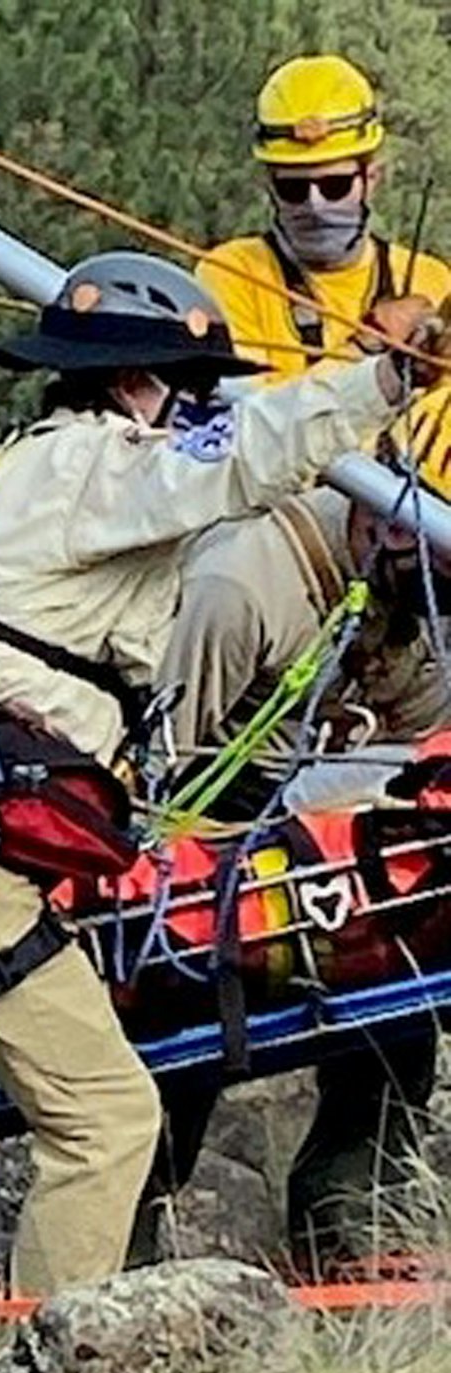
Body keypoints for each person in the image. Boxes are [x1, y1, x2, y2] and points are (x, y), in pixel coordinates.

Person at [0, 249, 437, 1316]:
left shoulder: (23, 481)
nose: (190, 414)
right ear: (134, 384)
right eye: (185, 392)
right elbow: (238, 460)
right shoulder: (89, 464)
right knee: (106, 1120)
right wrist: (383, 381)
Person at [132, 391, 451, 1272]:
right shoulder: (242, 585)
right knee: (177, 1044)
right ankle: (124, 1264)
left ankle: (350, 1227)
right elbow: (153, 768)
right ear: (390, 524)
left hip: (313, 846)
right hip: (203, 857)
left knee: (405, 983)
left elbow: (418, 746)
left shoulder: (403, 601)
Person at [199, 54, 451, 380]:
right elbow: (254, 420)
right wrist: (369, 341)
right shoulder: (232, 275)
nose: (314, 205)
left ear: (371, 179)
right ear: (269, 186)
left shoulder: (431, 280)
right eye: (293, 189)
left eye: (335, 186)